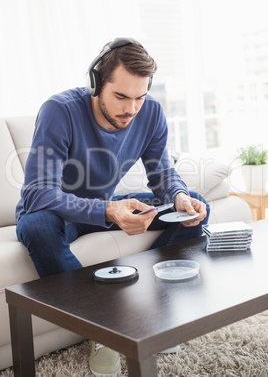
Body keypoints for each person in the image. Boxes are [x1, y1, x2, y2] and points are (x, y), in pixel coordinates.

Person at [16, 37, 210, 376]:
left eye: (139, 97)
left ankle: (152, 314)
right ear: (96, 84)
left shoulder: (149, 113)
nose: (131, 109)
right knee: (37, 227)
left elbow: (162, 173)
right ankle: (102, 329)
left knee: (195, 210)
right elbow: (37, 193)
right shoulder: (59, 111)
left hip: (107, 206)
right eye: (121, 96)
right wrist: (106, 211)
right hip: (59, 213)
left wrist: (178, 195)